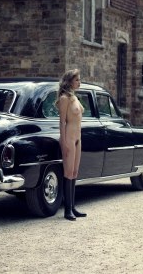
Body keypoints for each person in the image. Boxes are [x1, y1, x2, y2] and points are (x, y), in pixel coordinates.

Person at [57, 69, 87, 221]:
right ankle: (67, 210)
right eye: (77, 80)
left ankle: (73, 207)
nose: (79, 82)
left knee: (75, 172)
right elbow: (62, 121)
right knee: (68, 173)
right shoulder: (64, 99)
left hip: (78, 138)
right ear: (69, 82)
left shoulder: (74, 97)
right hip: (69, 138)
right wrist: (63, 141)